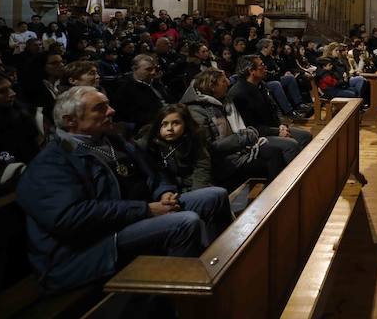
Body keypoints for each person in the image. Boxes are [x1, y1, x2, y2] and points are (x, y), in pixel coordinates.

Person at [15, 86, 231, 293]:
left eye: (108, 105)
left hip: (134, 218)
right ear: (70, 120)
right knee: (184, 223)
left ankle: (222, 269)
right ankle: (178, 302)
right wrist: (146, 210)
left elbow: (155, 173)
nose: (111, 111)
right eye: (100, 108)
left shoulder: (112, 140)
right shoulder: (50, 164)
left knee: (215, 196)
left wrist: (163, 192)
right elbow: (69, 218)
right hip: (86, 249)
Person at [182, 68, 284, 188]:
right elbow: (210, 148)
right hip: (223, 162)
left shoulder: (223, 101)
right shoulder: (196, 111)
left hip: (238, 151)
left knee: (275, 151)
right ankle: (276, 198)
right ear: (212, 86)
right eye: (223, 81)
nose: (228, 83)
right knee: (276, 156)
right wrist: (243, 137)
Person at [229, 55, 312, 166]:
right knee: (291, 145)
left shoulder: (261, 85)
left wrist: (281, 125)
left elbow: (275, 109)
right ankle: (286, 179)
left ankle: (303, 170)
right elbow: (250, 127)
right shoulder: (239, 94)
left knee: (305, 136)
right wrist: (277, 131)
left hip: (272, 128)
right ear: (251, 71)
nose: (265, 67)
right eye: (262, 65)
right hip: (257, 137)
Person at [136, 104, 212, 193]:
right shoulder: (149, 143)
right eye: (164, 124)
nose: (170, 128)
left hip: (191, 185)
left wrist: (197, 193)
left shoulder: (193, 139)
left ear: (185, 124)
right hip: (166, 191)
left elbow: (202, 167)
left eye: (176, 123)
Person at [110, 54, 171, 130]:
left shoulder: (155, 82)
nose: (153, 72)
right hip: (148, 126)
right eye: (148, 69)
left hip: (166, 116)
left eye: (154, 68)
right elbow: (127, 117)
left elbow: (168, 100)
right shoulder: (125, 89)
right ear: (134, 69)